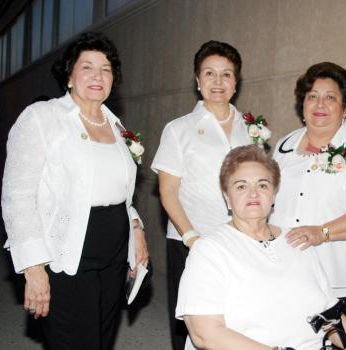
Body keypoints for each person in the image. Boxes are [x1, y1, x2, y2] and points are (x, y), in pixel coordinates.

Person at [1, 32, 149, 350]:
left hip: (113, 255)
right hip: (67, 254)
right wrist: (34, 268)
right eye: (87, 67)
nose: (97, 75)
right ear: (69, 76)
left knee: (101, 339)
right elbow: (17, 196)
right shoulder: (43, 118)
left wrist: (135, 226)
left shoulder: (117, 126)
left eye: (106, 68)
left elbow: (122, 192)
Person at [176, 145, 346, 350]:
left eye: (263, 185)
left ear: (274, 195)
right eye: (241, 186)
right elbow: (205, 335)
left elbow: (327, 310)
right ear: (227, 197)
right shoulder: (209, 250)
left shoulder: (297, 241)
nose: (253, 194)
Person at [270, 62, 346, 335]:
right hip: (287, 273)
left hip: (339, 278)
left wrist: (322, 232)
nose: (319, 104)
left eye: (330, 97)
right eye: (311, 96)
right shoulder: (284, 147)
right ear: (302, 105)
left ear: (345, 108)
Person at [151, 40, 256, 350]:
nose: (218, 82)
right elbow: (167, 192)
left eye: (226, 74)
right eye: (209, 73)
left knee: (235, 321)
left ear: (236, 82)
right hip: (192, 241)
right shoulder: (178, 129)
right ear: (197, 80)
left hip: (240, 242)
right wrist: (191, 238)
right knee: (193, 324)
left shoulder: (251, 128)